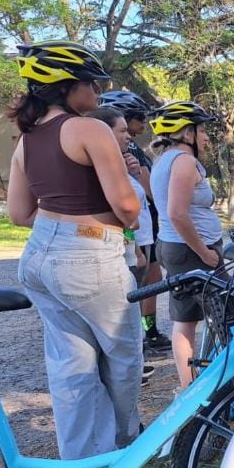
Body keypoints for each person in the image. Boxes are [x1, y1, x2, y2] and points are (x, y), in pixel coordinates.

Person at [6, 40, 142, 468]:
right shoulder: (89, 130)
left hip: (40, 255)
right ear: (67, 87)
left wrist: (59, 222)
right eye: (91, 82)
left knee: (71, 366)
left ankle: (82, 465)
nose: (99, 91)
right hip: (90, 251)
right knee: (123, 357)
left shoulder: (26, 140)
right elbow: (128, 207)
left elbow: (19, 214)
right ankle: (126, 447)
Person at [149, 100, 223, 389]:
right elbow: (176, 212)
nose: (206, 137)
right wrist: (204, 252)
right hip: (193, 252)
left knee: (185, 320)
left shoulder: (162, 161)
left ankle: (189, 388)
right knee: (225, 315)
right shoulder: (183, 161)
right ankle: (226, 384)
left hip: (174, 247)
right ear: (187, 133)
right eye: (202, 130)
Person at [86, 107, 157, 385]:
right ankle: (124, 373)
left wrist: (135, 173)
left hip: (141, 240)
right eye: (122, 130)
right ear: (105, 132)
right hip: (126, 247)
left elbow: (143, 201)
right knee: (121, 314)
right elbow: (124, 214)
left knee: (132, 307)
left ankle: (134, 363)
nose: (128, 136)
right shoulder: (106, 167)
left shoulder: (125, 162)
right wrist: (134, 246)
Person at [99, 89, 172, 353]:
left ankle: (148, 330)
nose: (142, 126)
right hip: (131, 232)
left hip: (147, 226)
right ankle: (130, 341)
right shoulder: (111, 155)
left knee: (151, 280)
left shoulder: (134, 151)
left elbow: (147, 188)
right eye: (139, 118)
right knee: (132, 286)